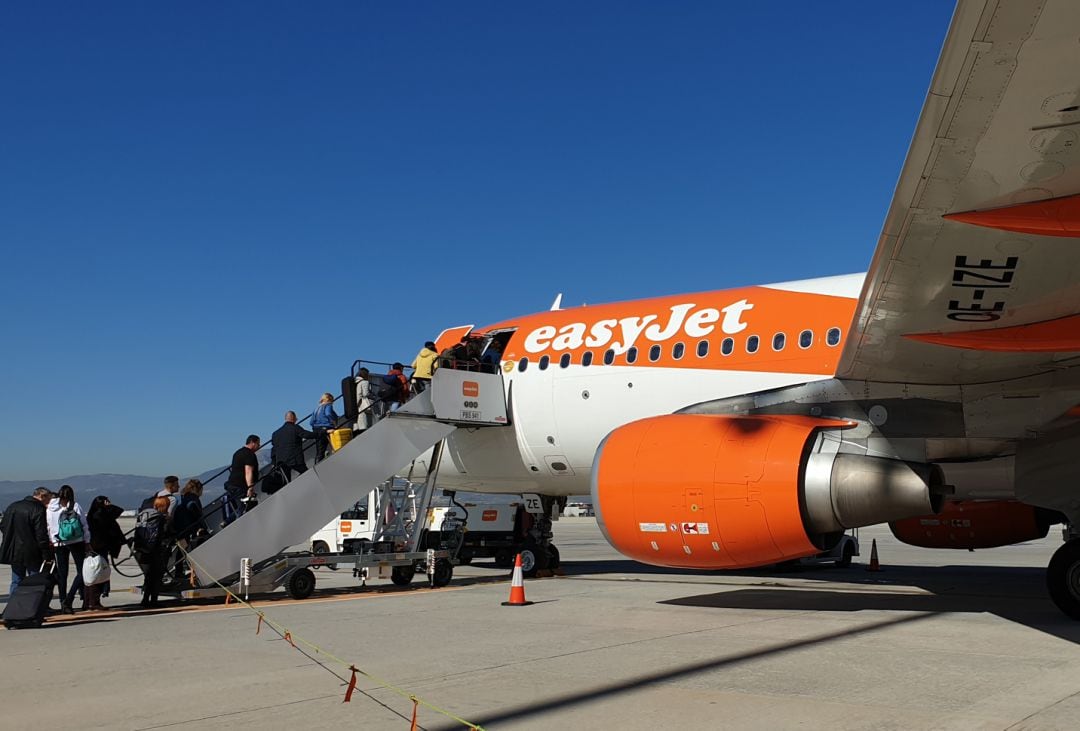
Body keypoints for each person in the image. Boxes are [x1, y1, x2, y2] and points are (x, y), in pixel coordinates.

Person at [46, 485, 91, 614]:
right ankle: (69, 599)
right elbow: (84, 524)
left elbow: (49, 526)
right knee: (82, 571)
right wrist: (87, 541)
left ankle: (62, 601)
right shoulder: (75, 506)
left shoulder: (50, 508)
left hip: (58, 543)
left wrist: (52, 540)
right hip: (76, 541)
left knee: (62, 574)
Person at [0, 487, 54, 596]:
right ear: (42, 496)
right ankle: (33, 606)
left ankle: (14, 606)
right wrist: (46, 553)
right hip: (32, 551)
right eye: (48, 499)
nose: (48, 503)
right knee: (35, 580)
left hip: (14, 550)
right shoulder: (38, 509)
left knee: (16, 580)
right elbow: (41, 534)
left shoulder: (13, 506)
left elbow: (3, 526)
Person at [86, 495, 125, 610]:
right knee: (99, 574)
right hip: (100, 547)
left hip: (94, 546)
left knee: (93, 574)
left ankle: (89, 601)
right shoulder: (101, 515)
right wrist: (110, 506)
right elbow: (118, 511)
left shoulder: (92, 515)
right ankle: (94, 601)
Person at [133, 496, 172, 608]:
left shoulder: (143, 515)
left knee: (148, 576)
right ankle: (154, 600)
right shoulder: (161, 518)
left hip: (142, 550)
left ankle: (145, 599)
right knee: (157, 576)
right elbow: (165, 533)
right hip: (156, 550)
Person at [224, 434, 260, 524]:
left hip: (232, 484)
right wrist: (250, 487)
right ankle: (237, 524)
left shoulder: (237, 453)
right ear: (252, 443)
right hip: (241, 485)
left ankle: (227, 521)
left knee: (240, 505)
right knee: (245, 506)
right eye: (258, 444)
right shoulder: (249, 454)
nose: (259, 446)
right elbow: (248, 471)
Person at [271, 411, 315, 480]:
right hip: (295, 459)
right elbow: (306, 435)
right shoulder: (295, 428)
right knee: (307, 475)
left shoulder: (275, 434)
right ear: (293, 418)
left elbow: (274, 450)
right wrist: (320, 433)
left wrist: (274, 462)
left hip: (281, 462)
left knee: (287, 481)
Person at [172, 479, 207, 545]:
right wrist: (203, 527)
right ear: (198, 489)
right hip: (190, 529)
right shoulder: (194, 499)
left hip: (181, 527)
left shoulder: (185, 497)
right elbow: (197, 515)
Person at [311, 393, 339, 462]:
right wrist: (334, 423)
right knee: (335, 446)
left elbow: (311, 422)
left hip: (317, 430)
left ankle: (317, 464)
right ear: (330, 400)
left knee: (320, 450)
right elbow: (328, 413)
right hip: (327, 428)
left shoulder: (316, 408)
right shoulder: (328, 405)